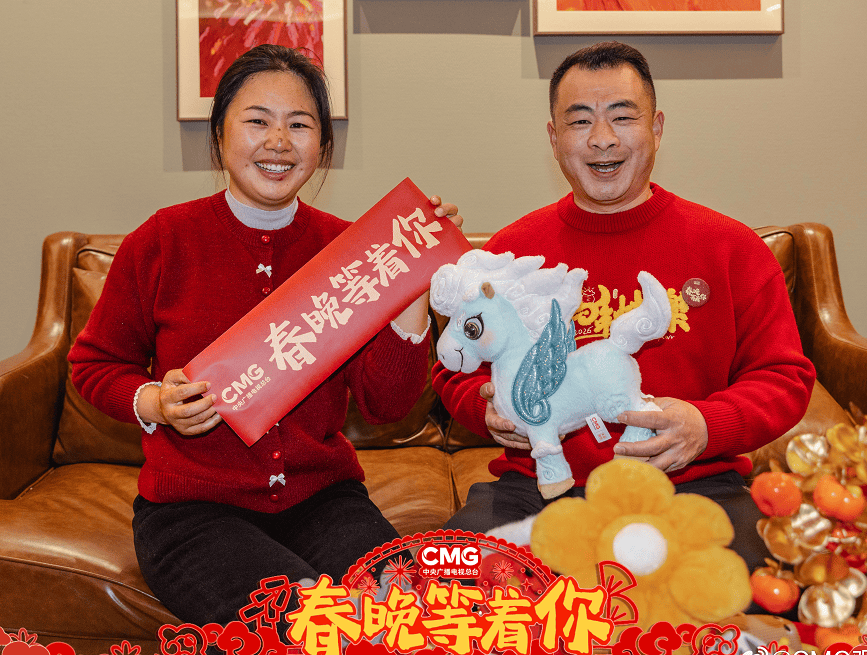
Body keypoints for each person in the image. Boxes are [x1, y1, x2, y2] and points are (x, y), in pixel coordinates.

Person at [68, 44, 461, 626]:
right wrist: (155, 402)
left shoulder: (351, 251)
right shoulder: (162, 240)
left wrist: (411, 288)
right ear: (219, 135)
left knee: (413, 614)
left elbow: (388, 406)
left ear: (323, 145)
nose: (279, 142)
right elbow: (94, 365)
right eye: (257, 121)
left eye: (300, 125)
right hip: (192, 513)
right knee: (301, 624)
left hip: (323, 500)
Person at [432, 41, 815, 581]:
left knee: (750, 595)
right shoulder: (511, 256)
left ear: (656, 128)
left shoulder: (731, 248)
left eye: (622, 116)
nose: (602, 138)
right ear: (554, 138)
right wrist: (486, 408)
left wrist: (705, 425)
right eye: (579, 120)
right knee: (444, 588)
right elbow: (454, 370)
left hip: (694, 486)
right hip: (539, 487)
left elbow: (784, 376)